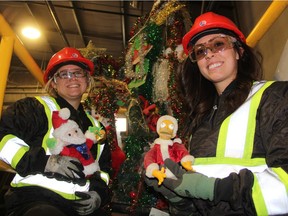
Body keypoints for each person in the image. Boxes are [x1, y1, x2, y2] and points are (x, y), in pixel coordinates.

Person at [145, 12, 288, 216]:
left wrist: (216, 189)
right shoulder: (199, 120)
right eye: (200, 51)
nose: (209, 54)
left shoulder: (274, 97)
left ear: (238, 51)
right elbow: (197, 204)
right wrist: (177, 197)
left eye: (218, 44)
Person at [0, 47, 112, 216]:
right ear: (53, 82)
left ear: (87, 79)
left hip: (81, 206)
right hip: (36, 200)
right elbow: (3, 138)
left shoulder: (96, 128)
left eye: (77, 73)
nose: (72, 78)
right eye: (63, 74)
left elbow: (103, 169)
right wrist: (45, 162)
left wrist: (99, 194)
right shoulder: (34, 108)